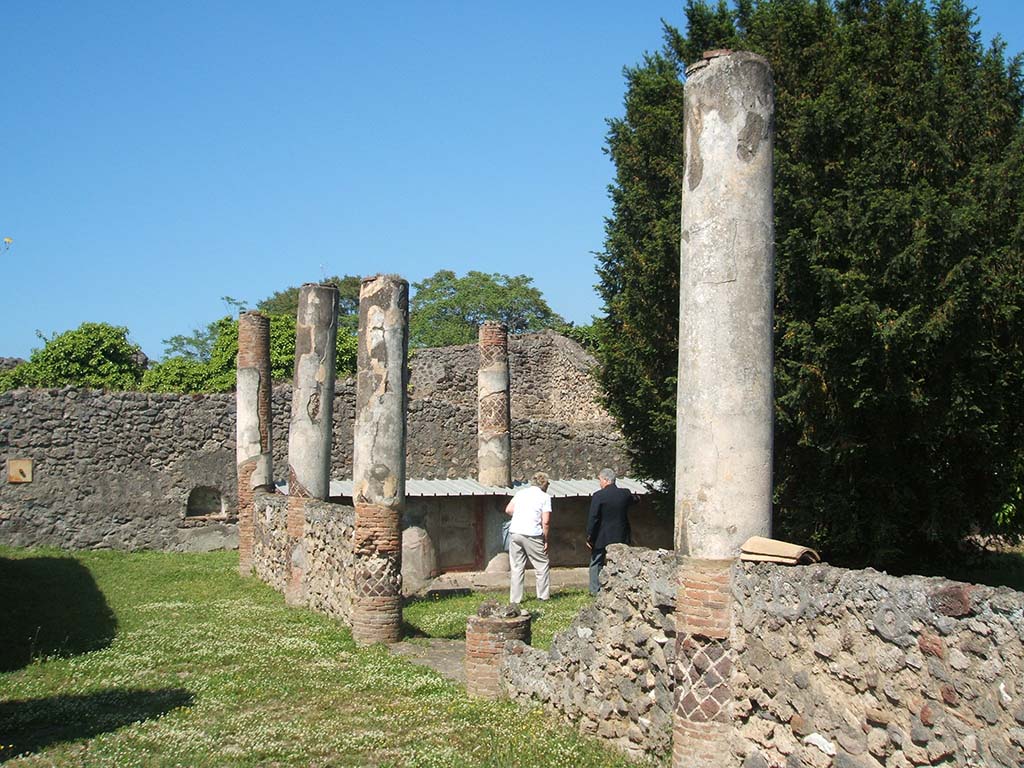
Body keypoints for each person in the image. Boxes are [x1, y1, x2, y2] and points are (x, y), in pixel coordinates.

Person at [505, 471, 552, 604]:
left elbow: (508, 510)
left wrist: (521, 515)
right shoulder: (545, 497)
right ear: (544, 483)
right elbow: (546, 521)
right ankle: (542, 596)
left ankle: (515, 599)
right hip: (533, 533)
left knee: (517, 566)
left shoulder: (520, 493)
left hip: (515, 532)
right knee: (541, 565)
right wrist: (545, 539)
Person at [586, 467, 633, 595]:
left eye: (600, 480)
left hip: (602, 535)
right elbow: (635, 500)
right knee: (622, 562)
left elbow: (593, 518)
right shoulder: (625, 493)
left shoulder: (599, 496)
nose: (599, 483)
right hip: (621, 535)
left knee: (596, 563)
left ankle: (595, 590)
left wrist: (589, 536)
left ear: (606, 480)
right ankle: (621, 588)